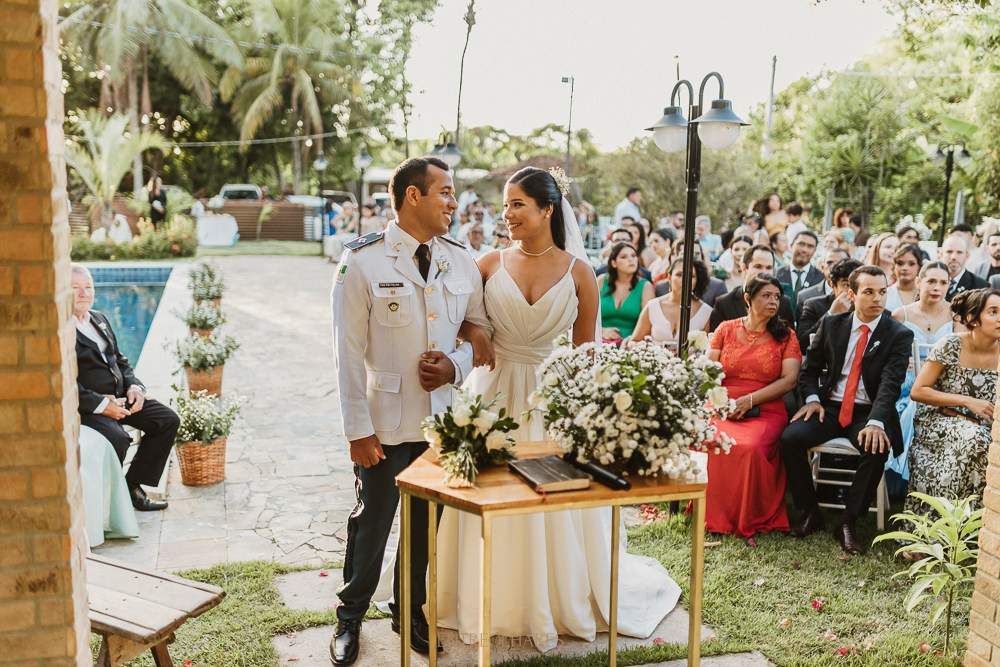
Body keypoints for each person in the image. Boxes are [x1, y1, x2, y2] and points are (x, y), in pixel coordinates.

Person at [436, 167, 680, 651]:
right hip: (491, 393)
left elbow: (585, 351)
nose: (507, 214)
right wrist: (477, 332)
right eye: (504, 205)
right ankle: (478, 592)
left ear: (548, 209)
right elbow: (454, 319)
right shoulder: (486, 263)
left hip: (551, 398)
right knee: (487, 490)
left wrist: (588, 417)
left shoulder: (578, 272)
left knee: (552, 501)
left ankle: (556, 597)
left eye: (517, 205)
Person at [329, 157, 492, 666]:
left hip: (442, 422)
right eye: (444, 191)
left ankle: (408, 610)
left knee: (425, 526)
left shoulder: (461, 258)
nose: (453, 202)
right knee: (372, 522)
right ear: (412, 197)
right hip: (384, 422)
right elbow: (347, 354)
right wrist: (358, 430)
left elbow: (479, 330)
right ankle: (350, 617)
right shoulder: (361, 261)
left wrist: (455, 366)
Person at [780, 266, 913, 555]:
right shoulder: (832, 324)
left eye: (882, 292)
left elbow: (891, 384)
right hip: (829, 407)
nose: (877, 298)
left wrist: (877, 421)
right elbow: (809, 370)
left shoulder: (898, 334)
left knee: (876, 446)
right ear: (851, 295)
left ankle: (848, 520)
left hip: (869, 411)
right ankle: (810, 511)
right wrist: (812, 399)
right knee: (791, 438)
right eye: (869, 292)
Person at [72, 263, 177, 513]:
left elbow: (120, 360)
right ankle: (109, 504)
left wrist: (135, 387)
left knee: (167, 420)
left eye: (88, 287)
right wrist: (102, 405)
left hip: (122, 398)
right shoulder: (59, 330)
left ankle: (131, 487)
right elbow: (65, 384)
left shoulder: (99, 318)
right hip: (89, 407)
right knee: (117, 438)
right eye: (75, 288)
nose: (84, 293)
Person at [707, 274, 802, 544]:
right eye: (766, 296)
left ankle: (748, 515)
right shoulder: (725, 328)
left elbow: (789, 380)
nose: (774, 302)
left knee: (748, 447)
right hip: (722, 402)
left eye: (776, 296)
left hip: (765, 407)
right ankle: (713, 513)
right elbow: (709, 369)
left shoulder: (786, 335)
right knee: (713, 439)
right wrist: (721, 401)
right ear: (748, 299)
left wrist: (749, 401)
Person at [908, 288, 1000, 515]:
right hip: (938, 420)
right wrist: (968, 401)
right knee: (977, 439)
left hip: (986, 424)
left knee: (984, 439)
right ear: (972, 318)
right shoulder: (951, 344)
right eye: (993, 312)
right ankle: (939, 527)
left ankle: (979, 530)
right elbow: (918, 390)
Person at [885, 261, 954, 496]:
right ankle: (906, 481)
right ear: (918, 282)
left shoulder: (956, 315)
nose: (937, 287)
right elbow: (888, 357)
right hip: (907, 382)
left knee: (921, 403)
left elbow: (961, 356)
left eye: (943, 282)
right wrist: (903, 361)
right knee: (912, 406)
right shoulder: (900, 315)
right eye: (931, 281)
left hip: (943, 384)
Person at [710, 244, 796, 332]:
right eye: (758, 267)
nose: (764, 272)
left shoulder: (783, 303)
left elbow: (789, 340)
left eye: (769, 268)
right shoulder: (724, 303)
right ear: (744, 269)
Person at [632, 257, 712, 348]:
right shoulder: (652, 306)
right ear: (669, 278)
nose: (685, 280)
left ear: (697, 280)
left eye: (692, 276)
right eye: (679, 275)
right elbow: (635, 341)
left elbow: (708, 349)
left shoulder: (706, 312)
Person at [796, 258, 863, 352]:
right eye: (846, 285)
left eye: (856, 286)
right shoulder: (814, 305)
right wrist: (831, 314)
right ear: (833, 285)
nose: (852, 291)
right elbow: (802, 343)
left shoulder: (867, 307)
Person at [598, 243, 654, 343]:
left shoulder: (646, 286)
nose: (631, 259)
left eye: (633, 256)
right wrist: (601, 331)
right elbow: (588, 316)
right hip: (600, 340)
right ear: (614, 263)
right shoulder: (601, 281)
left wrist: (630, 341)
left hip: (631, 345)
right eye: (624, 257)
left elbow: (649, 324)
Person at [797, 247, 851, 321]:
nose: (833, 267)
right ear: (822, 268)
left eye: (840, 263)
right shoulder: (805, 296)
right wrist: (831, 314)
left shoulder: (858, 295)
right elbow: (805, 332)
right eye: (829, 262)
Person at [776, 230, 822, 307]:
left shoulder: (820, 278)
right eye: (801, 244)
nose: (804, 250)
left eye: (810, 246)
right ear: (791, 246)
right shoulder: (777, 274)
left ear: (815, 251)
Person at [941, 234, 988, 300]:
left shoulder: (980, 287)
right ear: (941, 254)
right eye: (949, 252)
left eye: (959, 252)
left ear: (967, 256)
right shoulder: (930, 282)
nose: (953, 257)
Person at [884, 243, 924, 313]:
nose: (905, 268)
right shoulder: (884, 294)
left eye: (911, 264)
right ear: (894, 265)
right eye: (900, 263)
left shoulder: (927, 293)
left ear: (919, 266)